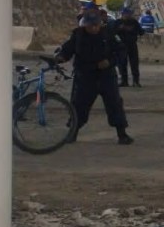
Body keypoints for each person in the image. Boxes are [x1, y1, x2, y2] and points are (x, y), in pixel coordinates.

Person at [54, 10, 133, 145]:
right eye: (90, 25)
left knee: (115, 104)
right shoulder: (78, 35)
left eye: (96, 25)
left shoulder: (109, 34)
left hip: (106, 76)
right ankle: (73, 133)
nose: (93, 28)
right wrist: (61, 57)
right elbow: (68, 49)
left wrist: (110, 61)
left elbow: (121, 51)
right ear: (85, 25)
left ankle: (122, 134)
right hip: (85, 76)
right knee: (79, 105)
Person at [111, 7, 144, 87]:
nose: (128, 16)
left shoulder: (134, 22)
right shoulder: (118, 22)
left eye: (129, 14)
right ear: (122, 14)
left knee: (134, 63)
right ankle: (124, 80)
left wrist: (133, 31)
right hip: (122, 46)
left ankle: (136, 81)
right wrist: (120, 31)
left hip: (132, 45)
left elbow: (141, 32)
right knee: (122, 63)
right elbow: (113, 33)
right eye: (126, 14)